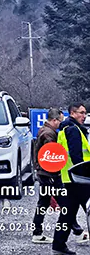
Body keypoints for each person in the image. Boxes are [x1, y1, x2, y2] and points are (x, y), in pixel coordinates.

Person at [52, 103, 90, 254]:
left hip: (69, 178)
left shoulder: (64, 129)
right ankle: (58, 245)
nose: (84, 116)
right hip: (79, 179)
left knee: (68, 214)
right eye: (81, 113)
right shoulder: (74, 130)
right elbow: (77, 157)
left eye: (85, 113)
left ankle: (58, 245)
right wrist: (85, 174)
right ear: (73, 113)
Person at [32, 108, 65, 244]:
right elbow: (51, 157)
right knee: (65, 203)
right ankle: (77, 230)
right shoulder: (49, 134)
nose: (61, 125)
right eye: (60, 121)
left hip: (43, 173)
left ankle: (37, 233)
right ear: (54, 120)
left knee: (43, 204)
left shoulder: (44, 130)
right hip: (49, 174)